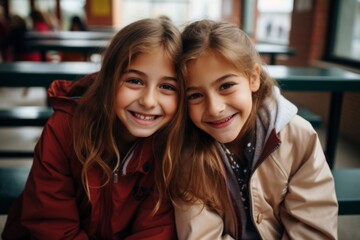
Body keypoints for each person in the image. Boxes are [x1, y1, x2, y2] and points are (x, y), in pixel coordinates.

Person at [2, 18, 184, 239]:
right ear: (109, 79)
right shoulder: (64, 129)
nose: (148, 101)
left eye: (167, 87)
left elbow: (156, 231)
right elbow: (50, 223)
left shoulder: (172, 146)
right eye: (135, 81)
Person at [166, 19, 338, 239]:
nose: (215, 108)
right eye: (195, 95)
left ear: (253, 78)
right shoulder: (186, 154)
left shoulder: (298, 137)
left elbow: (314, 230)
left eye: (226, 86)